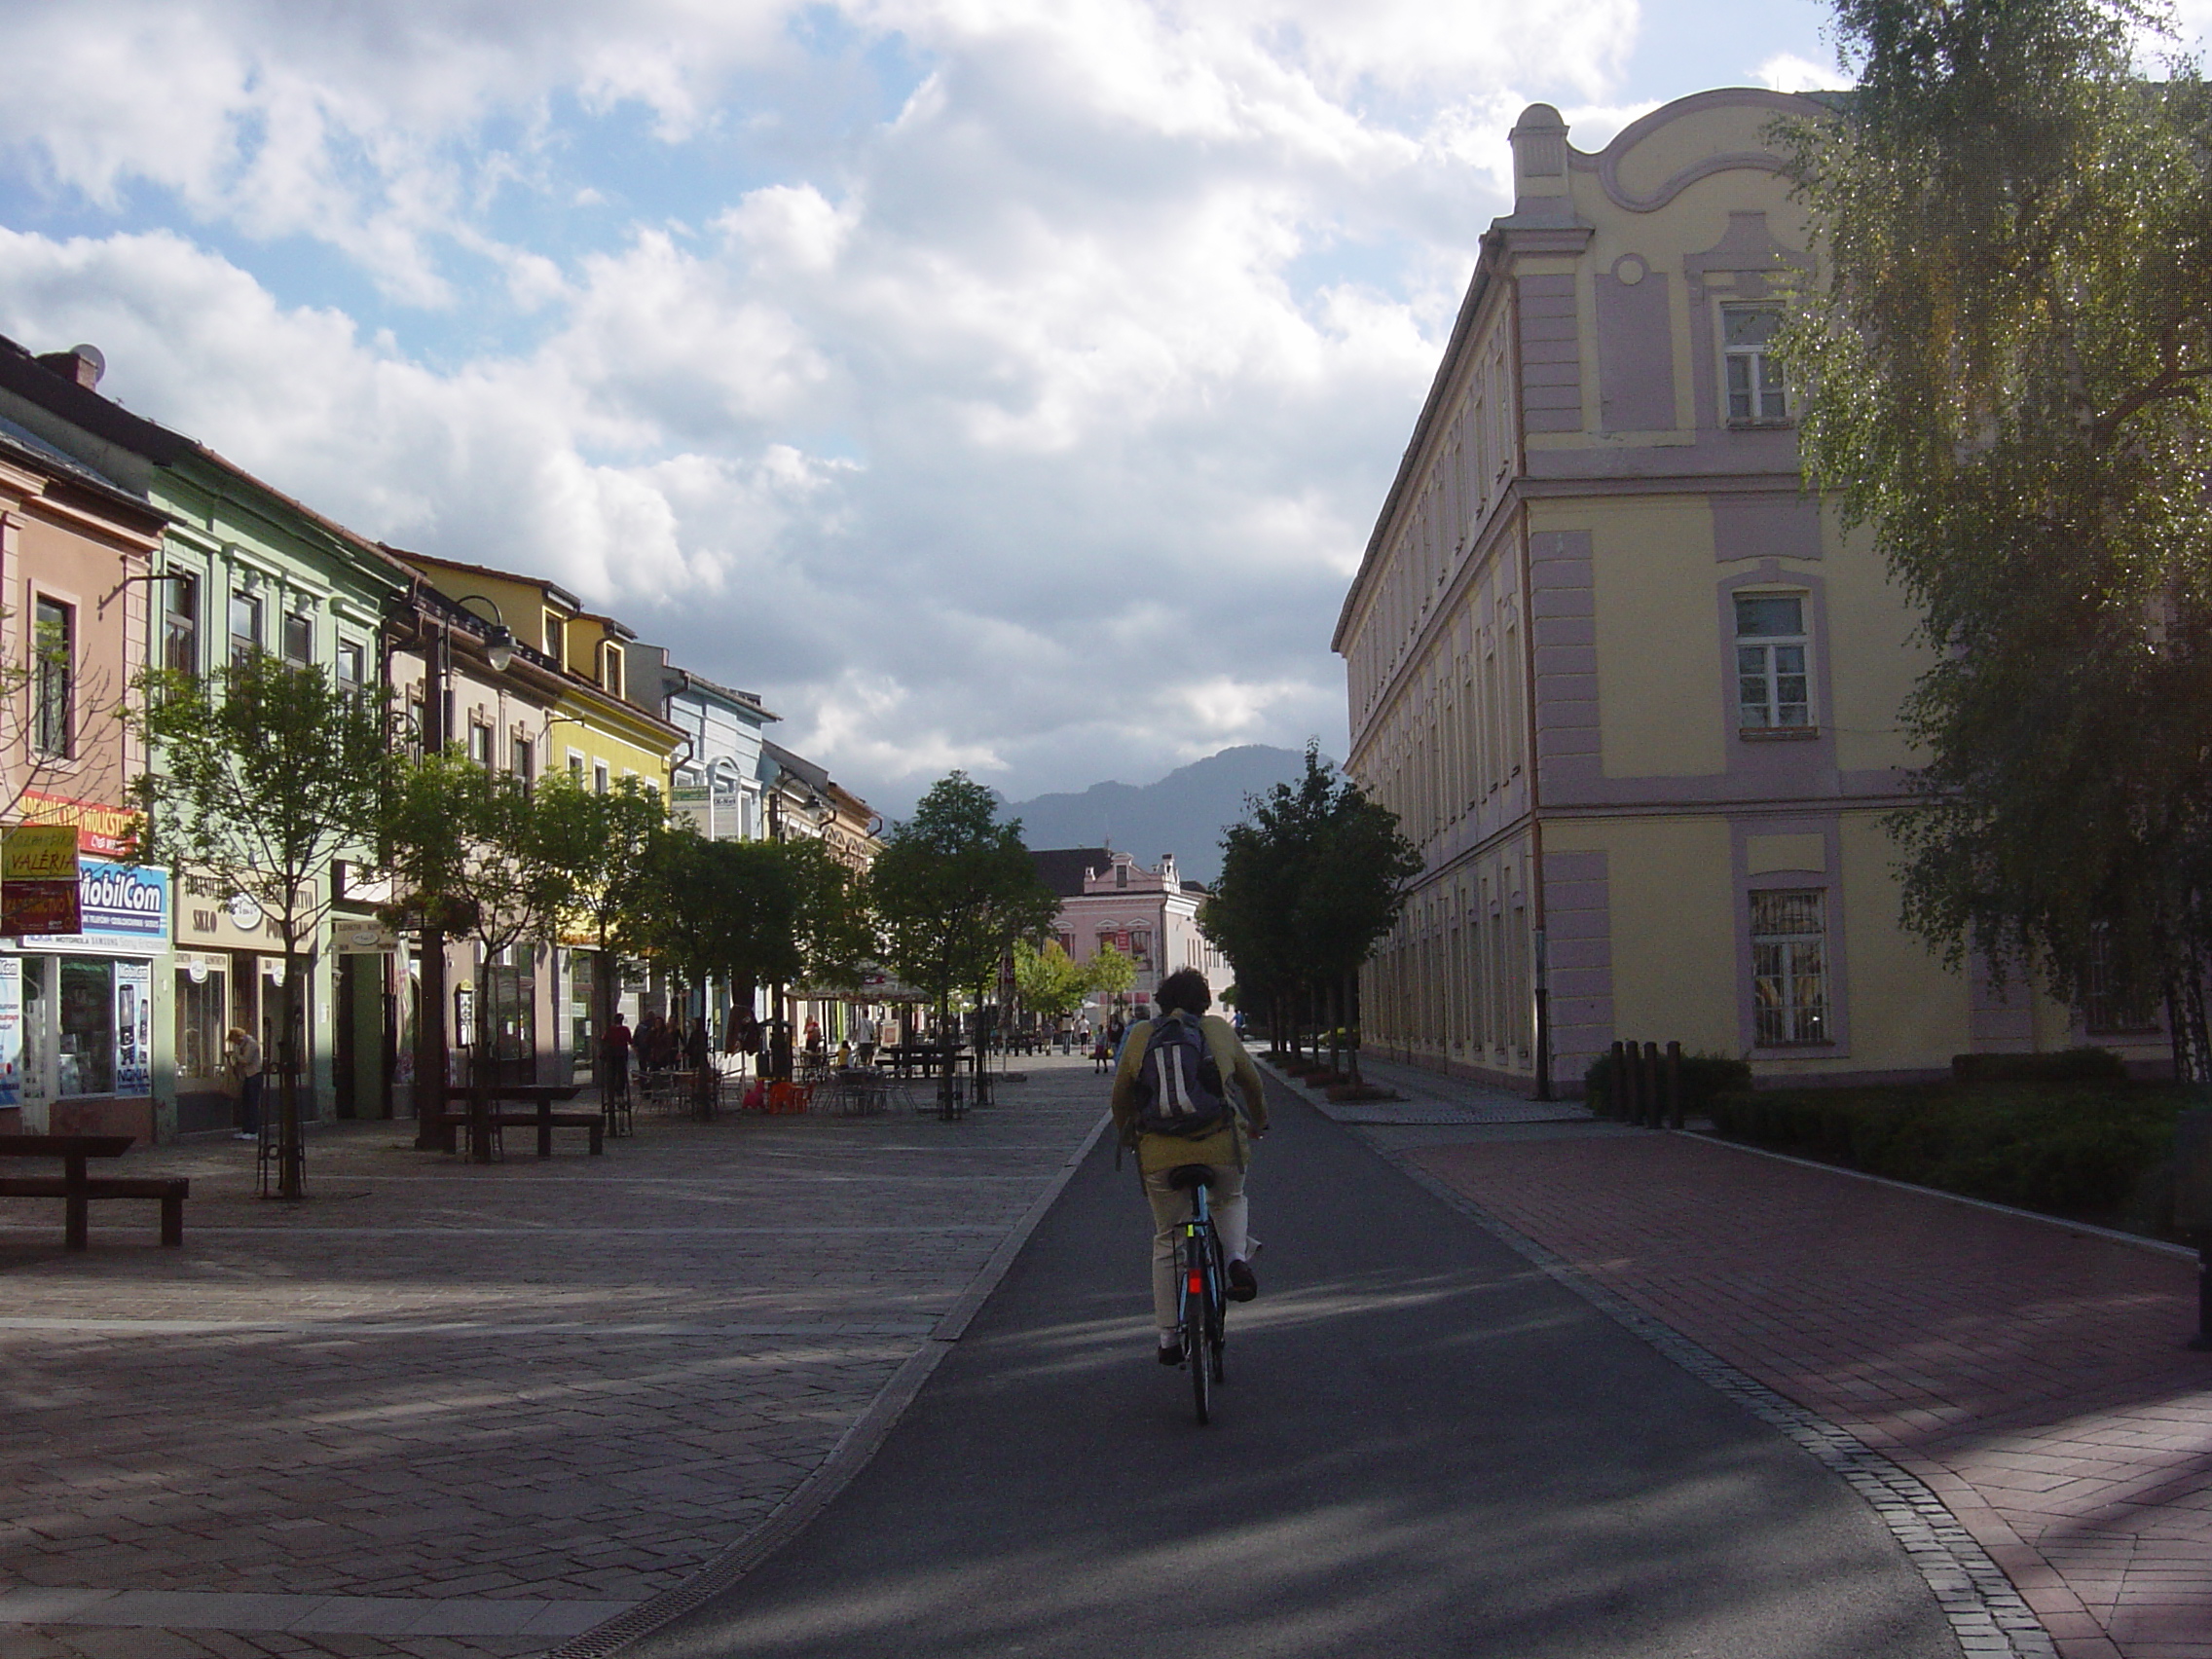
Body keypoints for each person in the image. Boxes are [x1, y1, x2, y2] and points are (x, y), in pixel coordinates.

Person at [1109, 969, 1270, 1365]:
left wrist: (1129, 1137)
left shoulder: (1141, 1035)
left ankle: (1168, 1338)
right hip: (1220, 1145)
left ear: (1162, 1002)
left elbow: (1120, 1097)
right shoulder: (1217, 1030)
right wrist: (1259, 1122)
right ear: (1204, 1002)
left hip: (1160, 1154)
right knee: (1229, 1198)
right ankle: (1235, 1259)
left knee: (1169, 1240)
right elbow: (1252, 1084)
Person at [225, 1027, 264, 1141]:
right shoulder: (241, 1045)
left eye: (235, 1041)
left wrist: (235, 1055)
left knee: (252, 1103)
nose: (235, 1044)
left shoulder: (251, 1044)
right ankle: (246, 1129)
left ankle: (253, 1131)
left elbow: (246, 1060)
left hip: (254, 1075)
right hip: (247, 1075)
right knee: (246, 1103)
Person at [601, 1014, 634, 1102]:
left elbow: (604, 1040)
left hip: (611, 1054)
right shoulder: (625, 1029)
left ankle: (611, 1091)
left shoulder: (610, 1030)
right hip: (622, 1054)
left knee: (612, 1073)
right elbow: (630, 1041)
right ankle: (620, 1091)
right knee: (622, 1073)